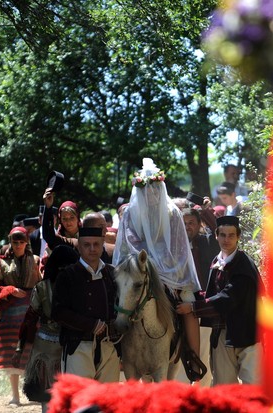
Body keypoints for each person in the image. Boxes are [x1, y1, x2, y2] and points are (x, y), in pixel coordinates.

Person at [113, 158, 203, 381]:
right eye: (146, 189)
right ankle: (110, 350)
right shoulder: (130, 214)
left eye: (154, 188)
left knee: (187, 304)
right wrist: (145, 263)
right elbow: (127, 243)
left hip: (169, 270)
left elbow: (179, 247)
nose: (151, 193)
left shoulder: (172, 213)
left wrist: (164, 268)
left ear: (160, 188)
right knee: (117, 298)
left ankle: (192, 355)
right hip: (138, 267)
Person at [177, 215, 262, 385]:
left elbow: (227, 298)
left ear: (238, 237)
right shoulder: (217, 261)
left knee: (253, 388)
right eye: (222, 235)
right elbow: (212, 294)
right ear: (216, 236)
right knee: (223, 388)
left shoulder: (244, 265)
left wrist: (193, 307)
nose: (226, 240)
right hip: (223, 334)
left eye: (231, 235)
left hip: (248, 335)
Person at [13, 245, 79, 412]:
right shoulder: (44, 288)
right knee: (50, 394)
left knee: (53, 395)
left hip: (57, 346)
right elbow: (30, 319)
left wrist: (20, 350)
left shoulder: (43, 287)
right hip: (58, 348)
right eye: (64, 267)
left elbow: (29, 319)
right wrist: (19, 349)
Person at [52, 227, 120, 382]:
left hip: (109, 346)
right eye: (87, 245)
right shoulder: (67, 275)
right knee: (80, 400)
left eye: (96, 244)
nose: (92, 249)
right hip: (78, 346)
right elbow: (58, 311)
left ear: (102, 245)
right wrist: (91, 324)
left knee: (107, 401)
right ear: (79, 246)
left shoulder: (112, 273)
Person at [0, 226, 42, 405]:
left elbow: (43, 284)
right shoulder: (1, 263)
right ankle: (15, 396)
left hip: (32, 313)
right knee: (12, 353)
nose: (18, 245)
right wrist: (10, 290)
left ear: (27, 242)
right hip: (10, 315)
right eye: (15, 241)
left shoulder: (36, 261)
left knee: (33, 352)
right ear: (10, 242)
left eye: (21, 241)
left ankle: (34, 393)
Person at [175, 203, 220, 387]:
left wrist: (204, 210)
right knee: (178, 358)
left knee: (203, 355)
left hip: (204, 309)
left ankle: (203, 396)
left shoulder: (208, 242)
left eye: (191, 222)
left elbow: (219, 228)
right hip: (180, 309)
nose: (187, 227)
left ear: (199, 224)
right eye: (183, 223)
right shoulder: (175, 247)